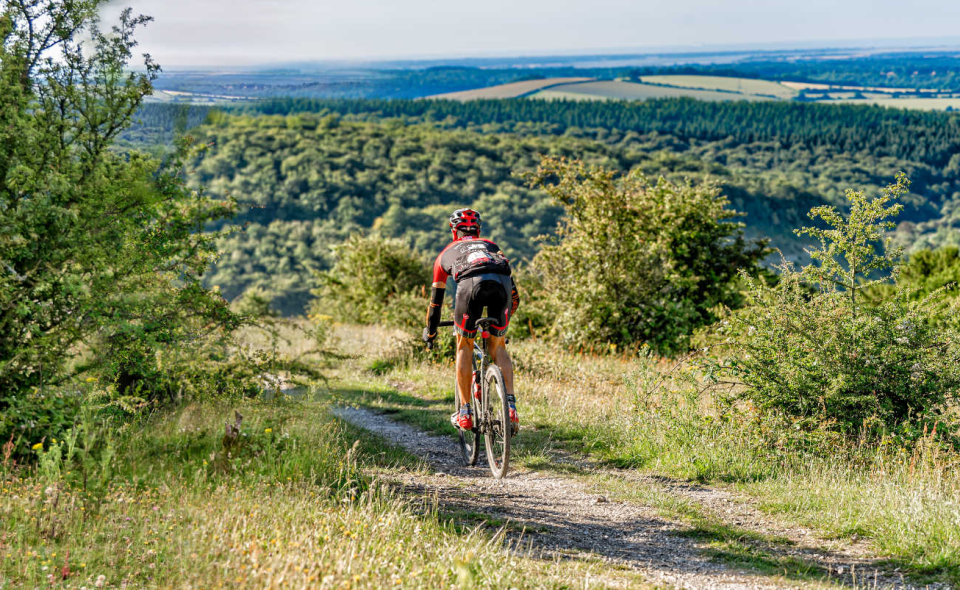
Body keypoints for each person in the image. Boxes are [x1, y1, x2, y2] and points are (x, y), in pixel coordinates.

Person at [422, 208, 520, 432]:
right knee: (499, 347)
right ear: (478, 230)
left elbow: (435, 304)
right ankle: (511, 407)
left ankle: (465, 412)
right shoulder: (491, 246)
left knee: (464, 344)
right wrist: (502, 327)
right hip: (501, 284)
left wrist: (431, 332)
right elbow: (514, 296)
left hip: (469, 286)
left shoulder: (444, 255)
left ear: (453, 231)